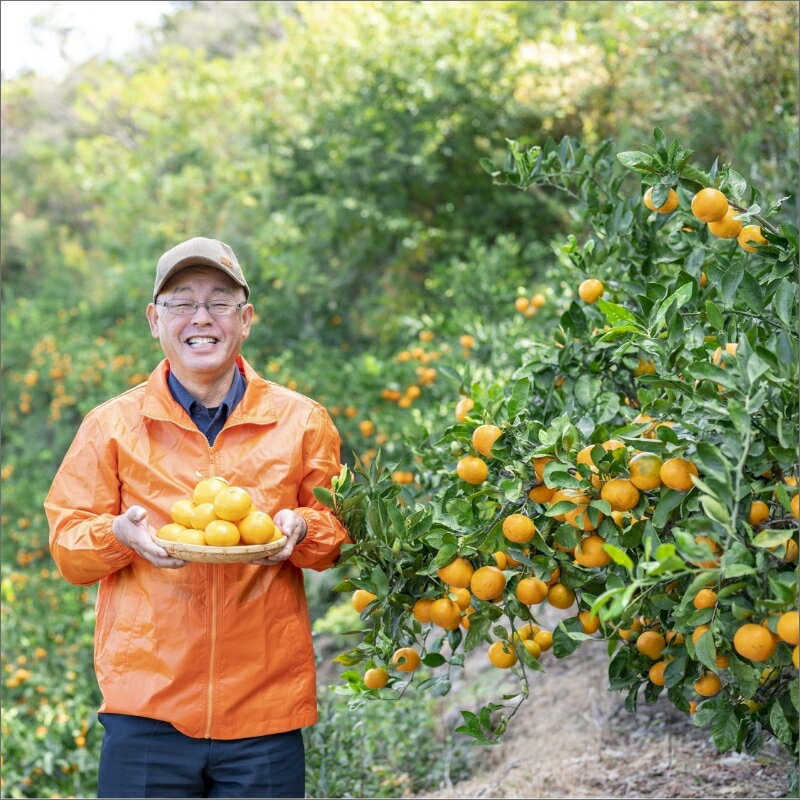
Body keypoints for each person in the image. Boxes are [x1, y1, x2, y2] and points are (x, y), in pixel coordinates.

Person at [45, 236, 351, 798]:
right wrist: (118, 536)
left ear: (246, 319)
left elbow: (337, 533)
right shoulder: (111, 426)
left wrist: (305, 530)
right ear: (155, 320)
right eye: (182, 302)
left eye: (219, 302)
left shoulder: (302, 421)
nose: (200, 318)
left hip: (265, 712)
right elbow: (67, 544)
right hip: (147, 712)